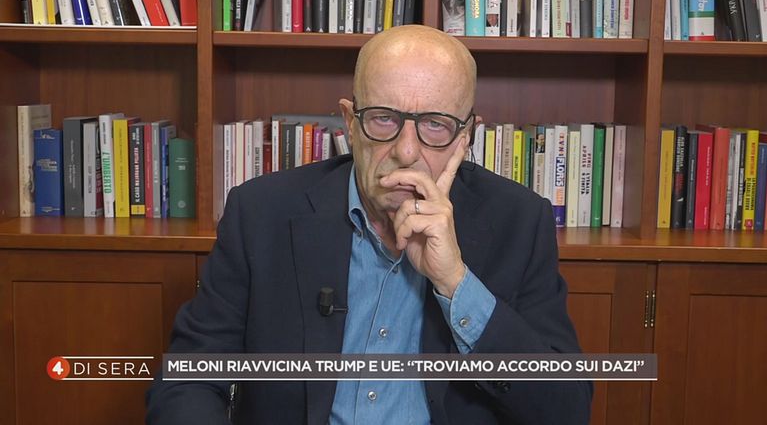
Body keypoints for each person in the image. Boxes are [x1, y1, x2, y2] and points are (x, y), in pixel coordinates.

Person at [146, 25, 592, 424]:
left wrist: (456, 283)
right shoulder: (261, 213)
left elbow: (566, 409)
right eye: (384, 118)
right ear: (350, 122)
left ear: (466, 135)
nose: (406, 151)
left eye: (435, 125)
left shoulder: (519, 222)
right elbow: (186, 381)